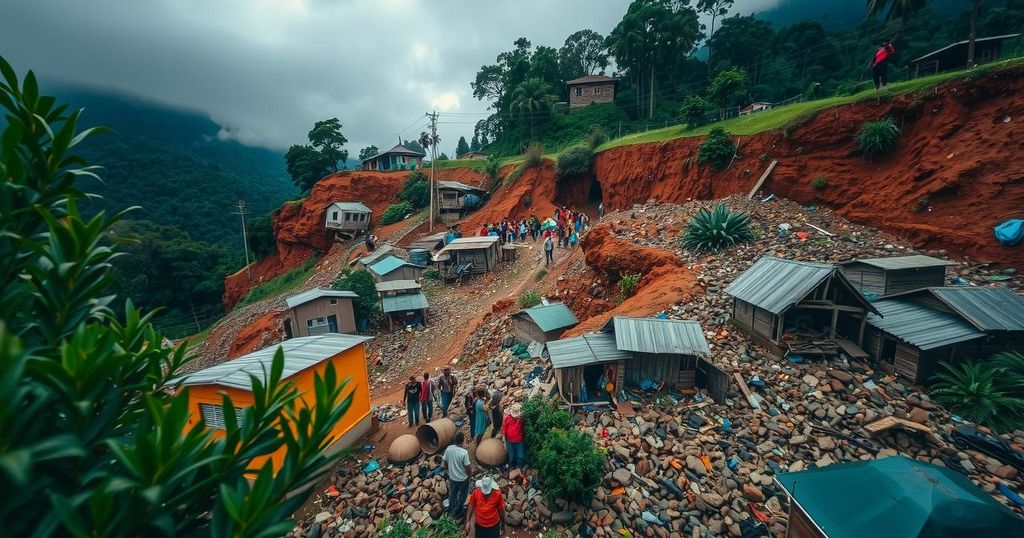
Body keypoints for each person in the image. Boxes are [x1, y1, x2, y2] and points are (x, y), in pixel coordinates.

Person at [443, 431, 472, 518]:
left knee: (453, 494)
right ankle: (458, 512)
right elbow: (468, 467)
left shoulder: (449, 449)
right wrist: (469, 476)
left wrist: (448, 470)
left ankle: (451, 510)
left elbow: (445, 462)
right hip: (463, 479)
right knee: (462, 495)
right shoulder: (464, 452)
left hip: (452, 478)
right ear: (462, 441)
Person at [501, 403, 525, 470]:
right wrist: (504, 439)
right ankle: (511, 465)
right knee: (511, 455)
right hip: (509, 441)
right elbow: (504, 429)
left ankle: (519, 467)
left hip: (519, 441)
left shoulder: (521, 418)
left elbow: (523, 427)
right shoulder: (507, 418)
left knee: (520, 455)